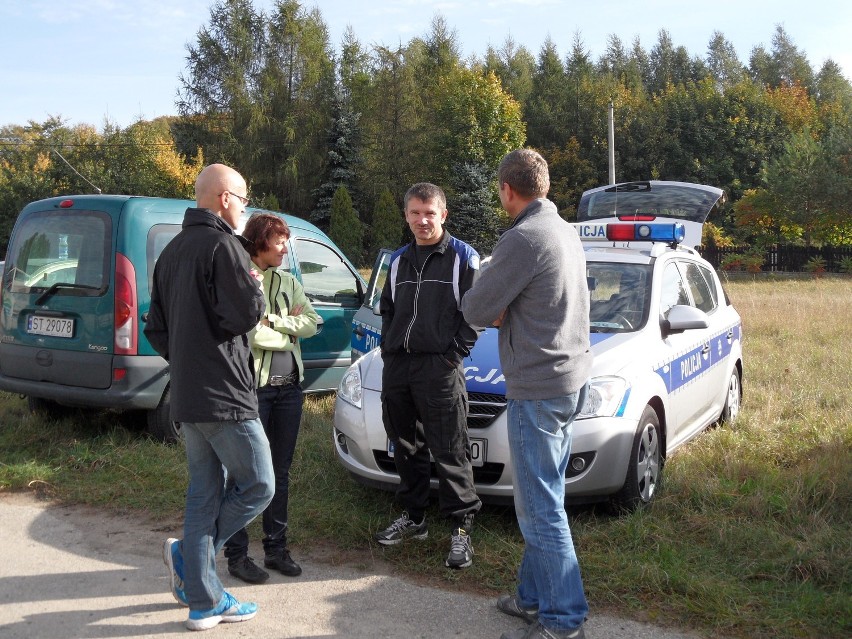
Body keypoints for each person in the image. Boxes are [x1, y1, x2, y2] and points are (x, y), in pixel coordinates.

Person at [461, 149, 593, 639]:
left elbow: (475, 307)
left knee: (540, 508)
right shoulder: (563, 230)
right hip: (568, 379)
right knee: (545, 496)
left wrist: (498, 307)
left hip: (538, 388)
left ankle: (563, 619)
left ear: (506, 191)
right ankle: (532, 597)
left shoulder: (523, 238)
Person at [144, 163, 275, 632]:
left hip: (187, 395)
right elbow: (244, 315)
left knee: (204, 493)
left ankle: (203, 602)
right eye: (243, 196)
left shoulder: (171, 252)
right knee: (260, 484)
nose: (245, 206)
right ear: (224, 198)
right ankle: (190, 560)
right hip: (225, 396)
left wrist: (186, 358)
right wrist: (255, 292)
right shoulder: (226, 247)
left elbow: (155, 328)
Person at [375, 182, 482, 569]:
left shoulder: (462, 258)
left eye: (429, 213)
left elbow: (476, 314)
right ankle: (414, 518)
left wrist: (452, 356)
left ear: (443, 215)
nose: (422, 221)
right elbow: (387, 309)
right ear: (406, 216)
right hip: (400, 366)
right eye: (415, 213)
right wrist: (389, 350)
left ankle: (461, 530)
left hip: (440, 368)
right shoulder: (399, 261)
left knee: (450, 448)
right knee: (406, 447)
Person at [224, 212, 320, 583]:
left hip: (289, 391)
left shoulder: (288, 281)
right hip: (255, 392)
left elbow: (310, 323)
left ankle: (276, 550)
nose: (285, 247)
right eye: (280, 240)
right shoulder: (242, 278)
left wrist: (275, 323)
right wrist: (282, 330)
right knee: (247, 474)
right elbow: (249, 334)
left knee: (280, 472)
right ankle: (236, 555)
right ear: (261, 240)